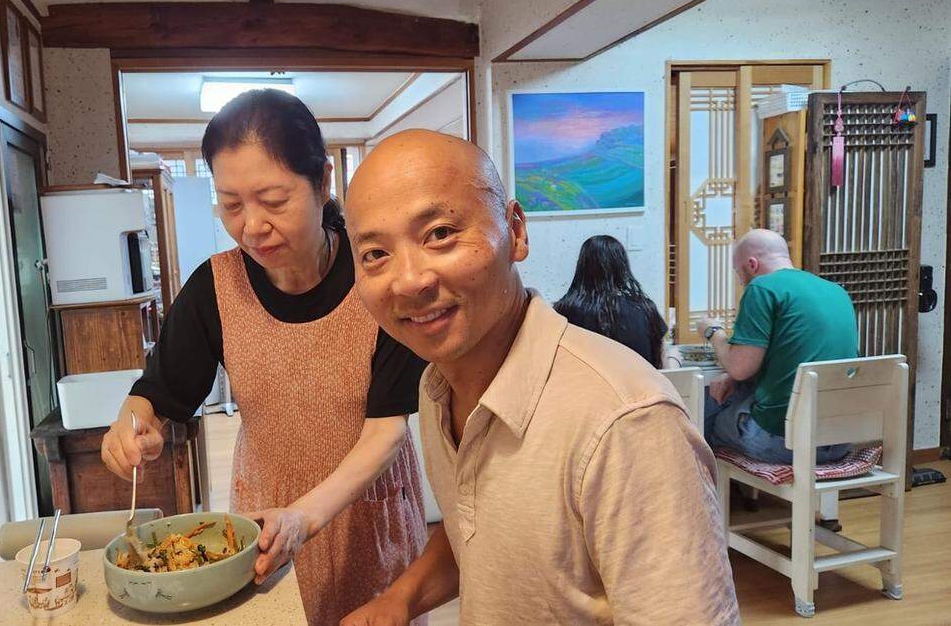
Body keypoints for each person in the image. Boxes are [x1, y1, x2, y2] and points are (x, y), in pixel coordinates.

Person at [340, 129, 740, 626]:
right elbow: (480, 531)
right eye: (375, 253)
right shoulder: (437, 387)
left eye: (440, 233)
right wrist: (399, 600)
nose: (409, 280)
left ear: (516, 231)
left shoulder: (625, 423)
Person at [100, 90, 428, 626]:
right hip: (263, 529)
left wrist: (305, 516)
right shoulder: (216, 286)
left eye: (273, 201)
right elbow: (157, 393)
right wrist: (132, 425)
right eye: (231, 205)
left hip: (368, 519)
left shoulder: (377, 277)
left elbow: (386, 431)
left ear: (321, 182)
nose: (251, 226)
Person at [697, 229, 857, 464]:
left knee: (704, 415)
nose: (741, 282)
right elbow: (793, 355)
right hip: (838, 438)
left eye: (739, 273)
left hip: (784, 441)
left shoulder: (761, 288)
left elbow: (740, 368)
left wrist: (713, 332)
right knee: (732, 391)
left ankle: (708, 498)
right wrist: (733, 377)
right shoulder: (836, 291)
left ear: (752, 264)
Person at [554, 234, 669, 368]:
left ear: (582, 266)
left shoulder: (564, 311)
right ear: (622, 267)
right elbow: (660, 359)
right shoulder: (645, 308)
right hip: (641, 387)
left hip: (585, 388)